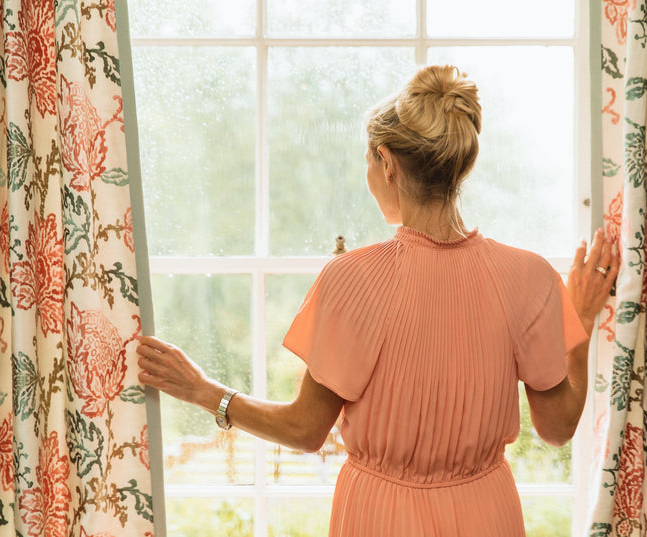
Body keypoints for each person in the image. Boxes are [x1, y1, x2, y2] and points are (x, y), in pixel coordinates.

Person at [137, 64, 620, 536]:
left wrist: (204, 391)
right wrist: (576, 319)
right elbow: (557, 429)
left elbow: (305, 430)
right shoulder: (529, 277)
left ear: (386, 163)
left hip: (378, 517)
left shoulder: (351, 279)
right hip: (486, 514)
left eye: (368, 162)